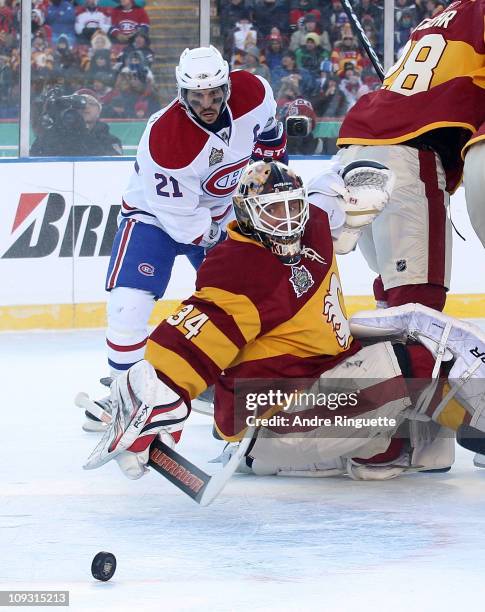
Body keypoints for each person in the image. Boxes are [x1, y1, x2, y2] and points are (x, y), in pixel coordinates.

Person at [83, 160, 485, 483]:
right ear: (247, 213)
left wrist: (350, 183)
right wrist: (158, 393)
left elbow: (333, 201)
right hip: (268, 413)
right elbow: (196, 334)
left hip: (317, 386)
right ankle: (273, 455)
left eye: (294, 205)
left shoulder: (312, 228)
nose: (288, 219)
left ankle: (395, 448)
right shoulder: (242, 266)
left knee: (428, 414)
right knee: (402, 367)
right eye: (273, 210)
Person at [82, 45, 287, 431]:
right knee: (128, 306)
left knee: (245, 301)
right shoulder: (166, 140)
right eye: (197, 97)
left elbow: (270, 136)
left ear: (226, 86)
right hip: (154, 217)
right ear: (182, 94)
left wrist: (273, 169)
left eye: (214, 94)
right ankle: (123, 394)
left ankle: (238, 376)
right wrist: (222, 243)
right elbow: (181, 220)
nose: (207, 103)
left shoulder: (255, 93)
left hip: (222, 211)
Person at [337, 0, 485, 313]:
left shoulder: (433, 21)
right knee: (416, 301)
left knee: (391, 284)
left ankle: (388, 360)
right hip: (406, 155)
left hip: (355, 150)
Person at [30, 89, 122, 156]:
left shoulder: (111, 140)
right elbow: (36, 155)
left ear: (99, 111)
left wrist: (81, 131)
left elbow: (111, 165)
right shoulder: (59, 135)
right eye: (80, 104)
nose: (86, 107)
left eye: (91, 103)